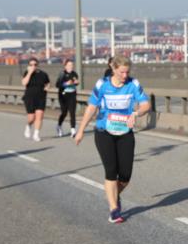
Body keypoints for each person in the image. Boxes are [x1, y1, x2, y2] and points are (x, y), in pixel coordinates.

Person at [74, 56, 151, 224]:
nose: (125, 75)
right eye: (122, 72)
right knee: (111, 171)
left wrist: (136, 113)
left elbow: (146, 105)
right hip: (104, 132)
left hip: (125, 133)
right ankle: (113, 209)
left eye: (127, 72)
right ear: (114, 69)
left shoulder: (133, 84)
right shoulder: (102, 85)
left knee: (125, 175)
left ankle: (114, 196)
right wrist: (80, 131)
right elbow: (91, 107)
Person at [21, 58, 49, 142]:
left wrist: (47, 87)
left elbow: (47, 83)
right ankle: (28, 126)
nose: (33, 66)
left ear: (38, 65)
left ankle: (36, 134)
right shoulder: (26, 73)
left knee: (39, 116)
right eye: (31, 64)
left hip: (41, 97)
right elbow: (24, 83)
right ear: (28, 65)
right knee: (31, 118)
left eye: (35, 64)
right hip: (29, 98)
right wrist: (29, 72)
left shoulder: (43, 74)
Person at [55, 58, 79, 137]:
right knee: (64, 112)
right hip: (63, 95)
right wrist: (66, 84)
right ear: (65, 66)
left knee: (72, 112)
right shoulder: (62, 74)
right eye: (69, 65)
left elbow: (75, 82)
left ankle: (73, 130)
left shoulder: (74, 74)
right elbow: (57, 85)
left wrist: (76, 83)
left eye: (72, 65)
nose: (71, 67)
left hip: (72, 94)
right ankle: (59, 126)